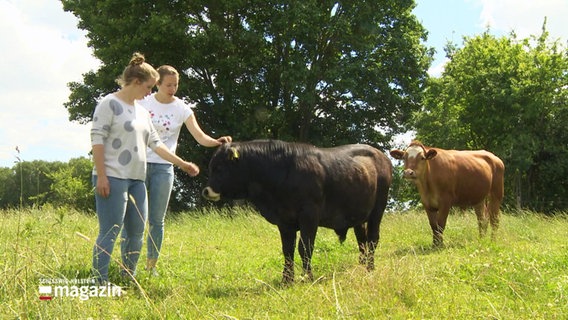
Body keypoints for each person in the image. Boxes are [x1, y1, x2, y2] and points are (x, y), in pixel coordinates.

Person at [91, 53, 200, 284]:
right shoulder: (109, 103)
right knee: (110, 231)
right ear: (136, 82)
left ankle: (128, 277)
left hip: (136, 179)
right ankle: (98, 281)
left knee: (136, 233)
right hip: (112, 176)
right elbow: (97, 139)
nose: (149, 93)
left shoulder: (141, 111)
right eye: (149, 87)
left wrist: (182, 164)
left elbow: (156, 143)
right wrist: (101, 175)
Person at [136, 65, 232, 276]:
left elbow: (199, 136)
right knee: (135, 217)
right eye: (168, 84)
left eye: (176, 85)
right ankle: (129, 265)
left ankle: (151, 267)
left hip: (165, 167)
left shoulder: (182, 108)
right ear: (158, 84)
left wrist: (216, 141)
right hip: (139, 164)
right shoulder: (143, 101)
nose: (173, 88)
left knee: (157, 220)